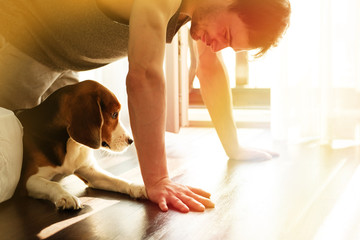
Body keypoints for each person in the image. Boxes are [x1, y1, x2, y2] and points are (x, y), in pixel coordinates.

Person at [0, 0, 291, 212]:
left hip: (64, 63)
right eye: (226, 35)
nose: (216, 46)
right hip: (21, 39)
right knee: (7, 172)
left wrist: (233, 147)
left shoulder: (199, 11)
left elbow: (209, 67)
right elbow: (144, 76)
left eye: (228, 45)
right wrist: (158, 180)